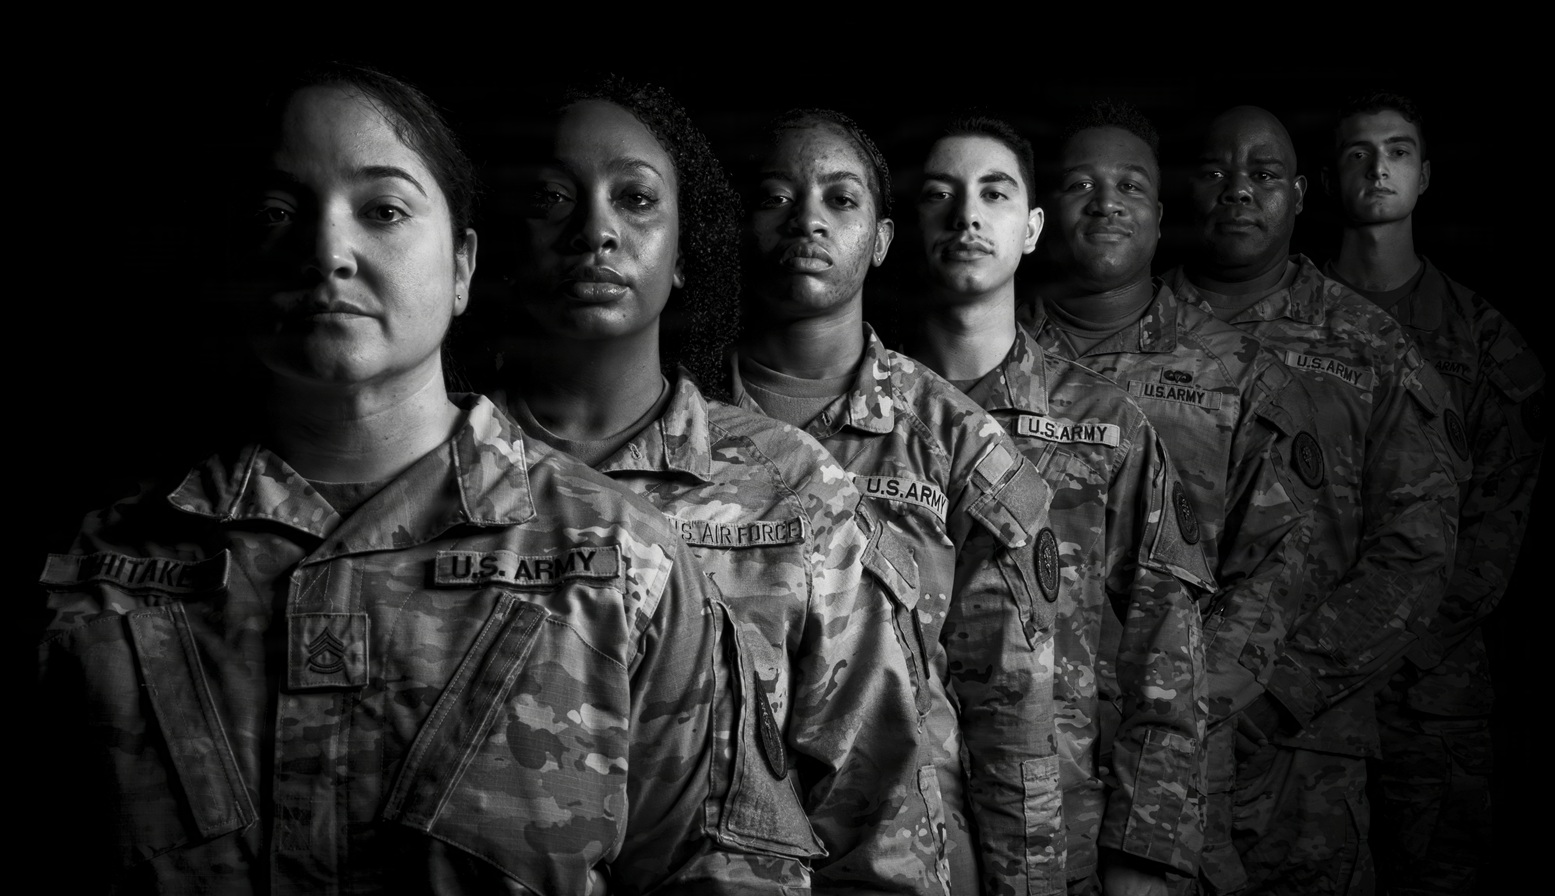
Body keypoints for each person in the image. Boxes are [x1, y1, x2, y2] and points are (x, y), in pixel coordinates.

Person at [36, 64, 730, 895]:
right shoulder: (99, 569)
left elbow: (716, 872)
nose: (328, 251)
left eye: (384, 211)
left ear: (464, 267)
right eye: (277, 215)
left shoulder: (624, 564)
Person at [486, 78, 937, 895]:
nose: (596, 231)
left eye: (634, 199)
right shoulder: (437, 475)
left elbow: (882, 819)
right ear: (499, 247)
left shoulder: (792, 485)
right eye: (554, 199)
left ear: (687, 250)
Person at [733, 108, 1063, 896]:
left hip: (904, 857)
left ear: (880, 240)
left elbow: (1013, 709)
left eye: (840, 200)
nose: (807, 218)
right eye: (776, 197)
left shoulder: (956, 440)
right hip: (706, 858)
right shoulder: (673, 430)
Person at [1018, 101, 1320, 896]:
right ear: (1039, 219)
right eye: (1081, 184)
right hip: (1000, 743)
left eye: (1129, 186)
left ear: (1157, 217)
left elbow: (1277, 565)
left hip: (1167, 761)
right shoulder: (973, 359)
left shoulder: (1236, 374)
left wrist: (1184, 709)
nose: (1106, 201)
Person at [907, 116, 1213, 896]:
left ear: (1032, 228)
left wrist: (1143, 858)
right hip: (885, 839)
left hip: (1053, 843)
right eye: (939, 196)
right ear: (900, 229)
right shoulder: (855, 427)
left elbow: (1167, 660)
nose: (966, 217)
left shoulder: (1106, 426)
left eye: (994, 194)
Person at [1164, 104, 1466, 896]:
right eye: (1214, 173)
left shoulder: (1369, 345)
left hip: (1301, 754)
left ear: (1299, 195)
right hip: (1131, 735)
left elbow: (1416, 549)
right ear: (1177, 191)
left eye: (1262, 176)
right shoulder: (1119, 329)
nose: (1237, 192)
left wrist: (1280, 696)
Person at [1321, 92, 1546, 895]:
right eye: (1356, 151)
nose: (1377, 166)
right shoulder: (1283, 319)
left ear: (1424, 178)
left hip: (1430, 690)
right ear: (1329, 173)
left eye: (1397, 150)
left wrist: (1398, 645)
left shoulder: (1480, 339)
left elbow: (1498, 520)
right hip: (1297, 693)